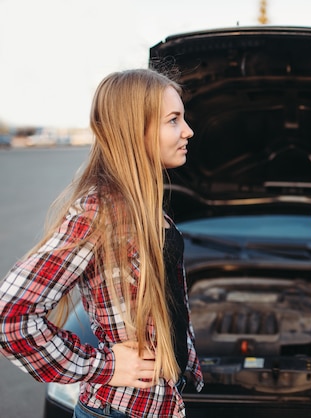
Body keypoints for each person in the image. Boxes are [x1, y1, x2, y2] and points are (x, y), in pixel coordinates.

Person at [0, 68, 203, 418]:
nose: (188, 131)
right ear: (133, 130)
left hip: (158, 403)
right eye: (173, 120)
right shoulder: (99, 213)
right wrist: (103, 366)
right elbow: (10, 317)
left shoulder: (143, 205)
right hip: (121, 409)